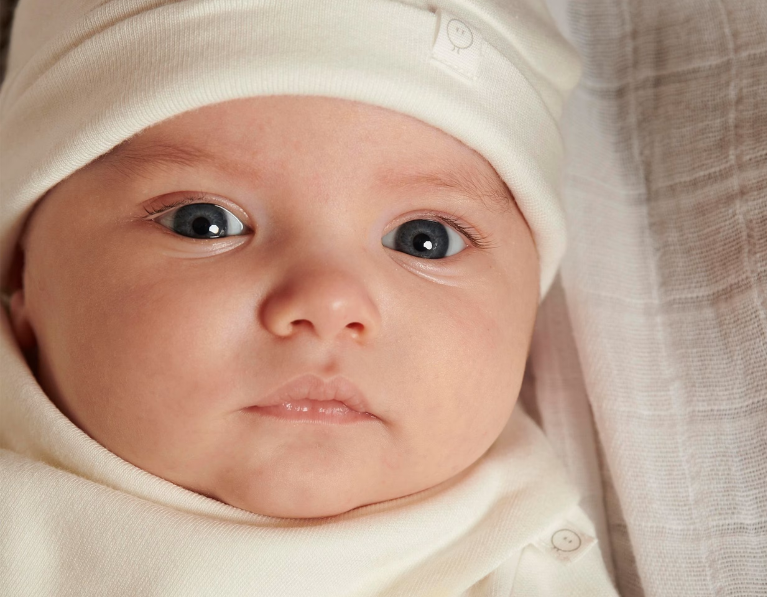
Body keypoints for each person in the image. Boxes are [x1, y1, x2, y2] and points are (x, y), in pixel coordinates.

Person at [0, 0, 619, 594]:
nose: (329, 303)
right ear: (23, 275)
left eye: (424, 241)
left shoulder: (509, 564)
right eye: (205, 223)